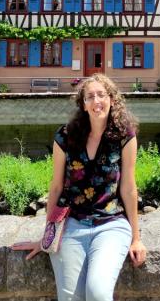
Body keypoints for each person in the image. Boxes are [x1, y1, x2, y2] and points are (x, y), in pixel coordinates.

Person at [11, 74, 146, 301]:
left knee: (98, 293)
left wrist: (136, 238)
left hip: (111, 226)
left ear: (112, 100)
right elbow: (55, 188)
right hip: (71, 226)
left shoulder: (124, 136)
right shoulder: (65, 137)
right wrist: (47, 237)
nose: (96, 101)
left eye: (101, 95)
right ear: (83, 104)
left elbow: (129, 188)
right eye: (90, 97)